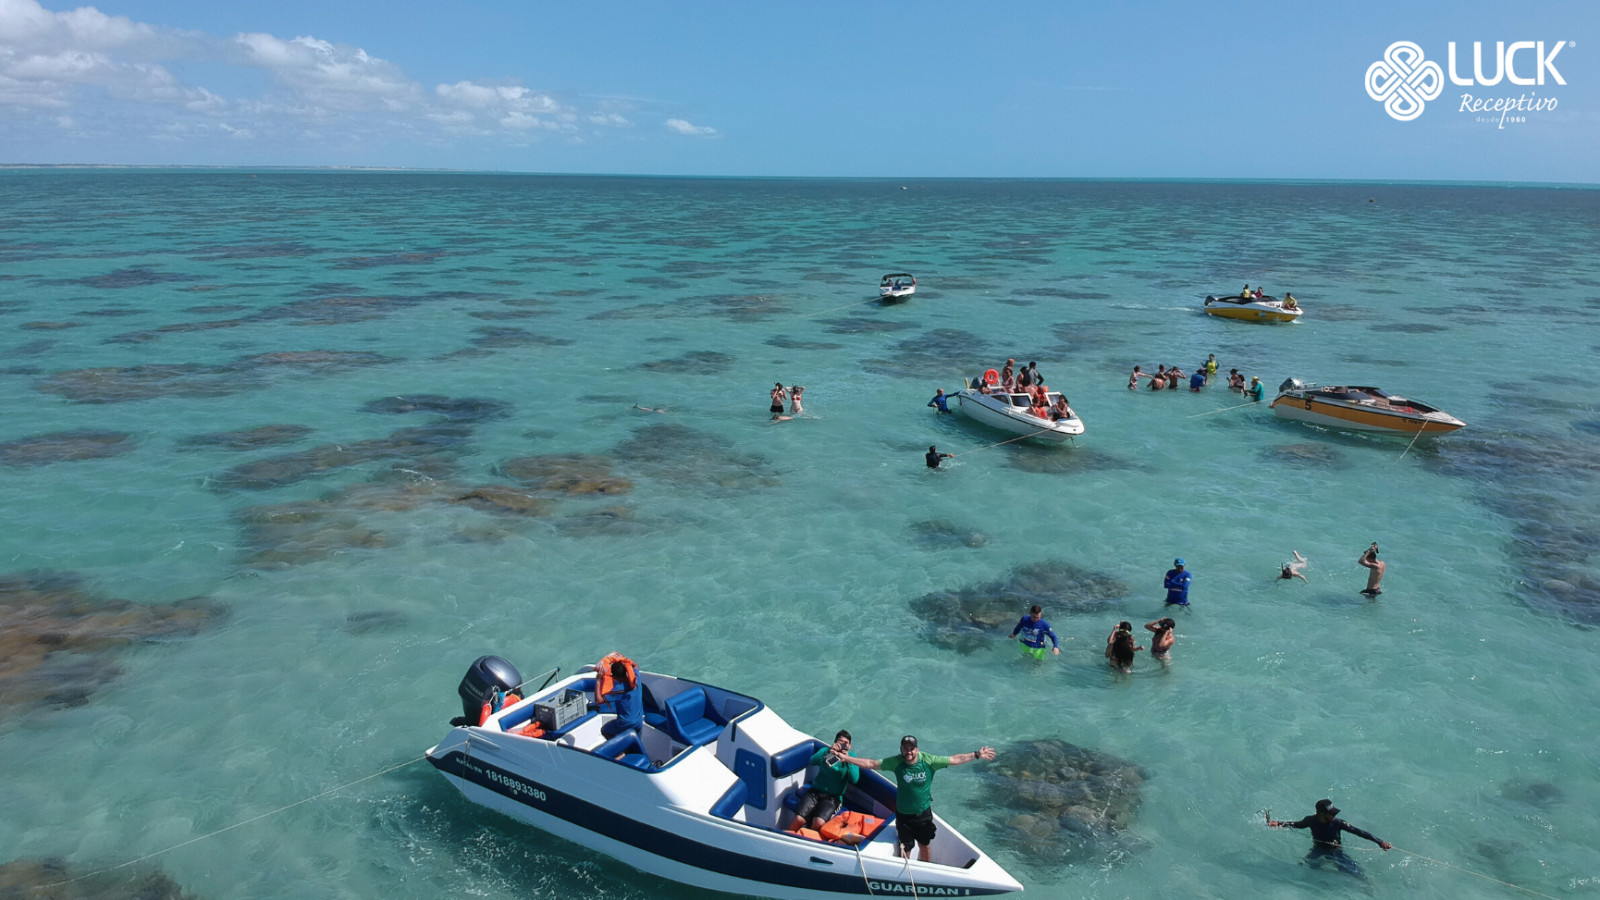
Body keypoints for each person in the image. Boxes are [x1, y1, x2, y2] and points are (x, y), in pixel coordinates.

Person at [836, 736, 995, 861]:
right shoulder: (896, 762)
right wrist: (847, 758)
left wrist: (976, 755)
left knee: (924, 845)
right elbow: (871, 763)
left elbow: (954, 759)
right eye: (905, 748)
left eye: (912, 748)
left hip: (923, 814)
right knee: (905, 847)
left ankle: (925, 869)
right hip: (903, 815)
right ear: (901, 749)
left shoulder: (929, 761)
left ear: (917, 749)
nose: (909, 752)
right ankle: (905, 872)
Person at [1267, 799, 1391, 877]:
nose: (1335, 815)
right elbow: (1297, 825)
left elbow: (1359, 832)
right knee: (1307, 869)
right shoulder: (1310, 820)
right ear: (1321, 814)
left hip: (1336, 852)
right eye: (1332, 813)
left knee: (1357, 875)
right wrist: (1278, 823)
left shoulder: (1338, 823)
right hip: (1318, 849)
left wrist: (1380, 842)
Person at [787, 730, 860, 834]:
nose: (843, 745)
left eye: (846, 743)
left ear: (849, 746)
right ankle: (788, 836)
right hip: (815, 792)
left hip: (833, 798)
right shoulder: (826, 751)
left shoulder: (852, 758)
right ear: (835, 742)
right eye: (840, 742)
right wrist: (829, 752)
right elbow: (812, 760)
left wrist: (847, 759)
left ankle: (807, 839)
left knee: (818, 823)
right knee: (799, 819)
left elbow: (854, 779)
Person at [591, 656, 642, 740]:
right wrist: (623, 659)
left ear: (614, 677)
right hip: (639, 720)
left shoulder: (617, 690)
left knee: (605, 730)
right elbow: (636, 666)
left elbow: (598, 701)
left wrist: (598, 680)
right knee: (634, 739)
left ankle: (619, 750)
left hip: (625, 722)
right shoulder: (637, 681)